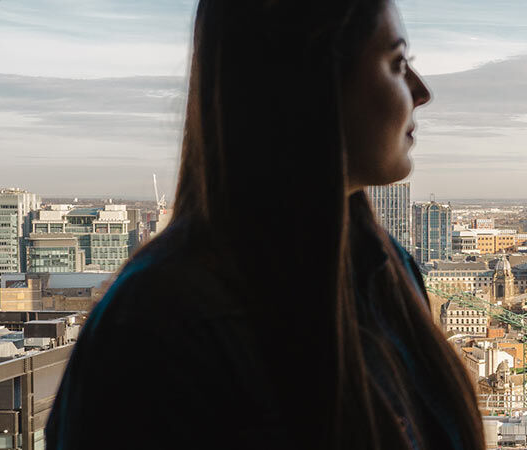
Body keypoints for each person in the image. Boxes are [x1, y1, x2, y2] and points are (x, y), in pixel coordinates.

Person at [44, 1, 484, 448]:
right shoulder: (156, 328)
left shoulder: (389, 270)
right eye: (396, 63)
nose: (421, 90)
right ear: (310, 81)